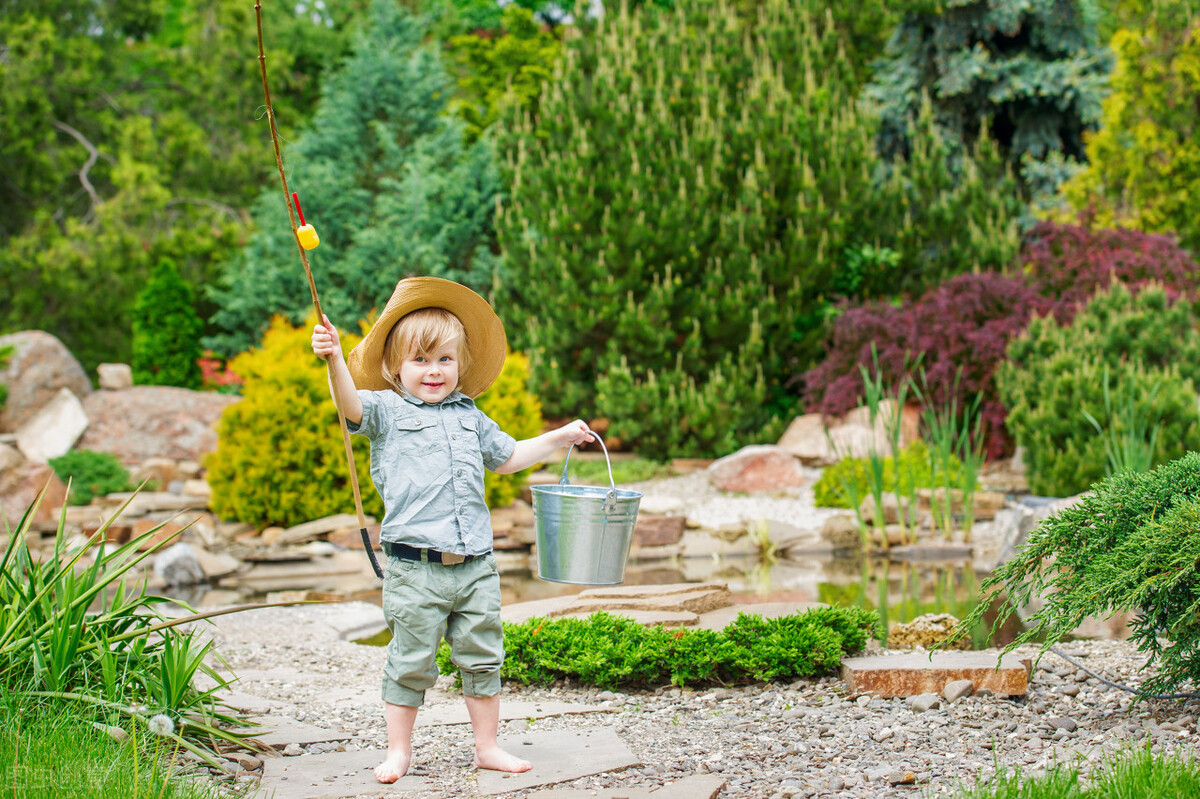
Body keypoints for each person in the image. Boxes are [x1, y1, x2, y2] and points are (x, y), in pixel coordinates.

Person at [310, 276, 593, 783]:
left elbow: (508, 459)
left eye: (445, 359)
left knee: (484, 657)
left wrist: (560, 436)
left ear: (460, 365)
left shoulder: (471, 417)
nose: (434, 371)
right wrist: (334, 359)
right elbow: (348, 404)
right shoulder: (385, 411)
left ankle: (487, 747)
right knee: (410, 660)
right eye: (420, 360)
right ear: (396, 367)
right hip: (414, 568)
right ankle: (399, 752)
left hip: (476, 565)